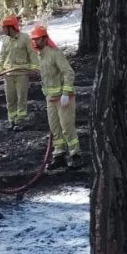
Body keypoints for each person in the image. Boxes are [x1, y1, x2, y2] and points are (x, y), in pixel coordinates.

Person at [30, 25, 79, 168]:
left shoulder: (55, 53)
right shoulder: (39, 55)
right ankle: (59, 155)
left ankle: (75, 155)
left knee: (67, 127)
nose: (34, 42)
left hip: (64, 98)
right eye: (33, 39)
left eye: (37, 39)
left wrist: (65, 93)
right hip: (50, 98)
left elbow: (68, 72)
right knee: (55, 128)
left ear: (44, 39)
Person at [0, 16, 38, 129]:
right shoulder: (5, 40)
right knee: (10, 98)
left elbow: (33, 54)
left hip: (22, 74)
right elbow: (2, 56)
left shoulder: (25, 38)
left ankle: (20, 121)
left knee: (21, 98)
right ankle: (12, 120)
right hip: (8, 74)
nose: (3, 30)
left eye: (4, 28)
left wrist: (34, 68)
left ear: (11, 27)